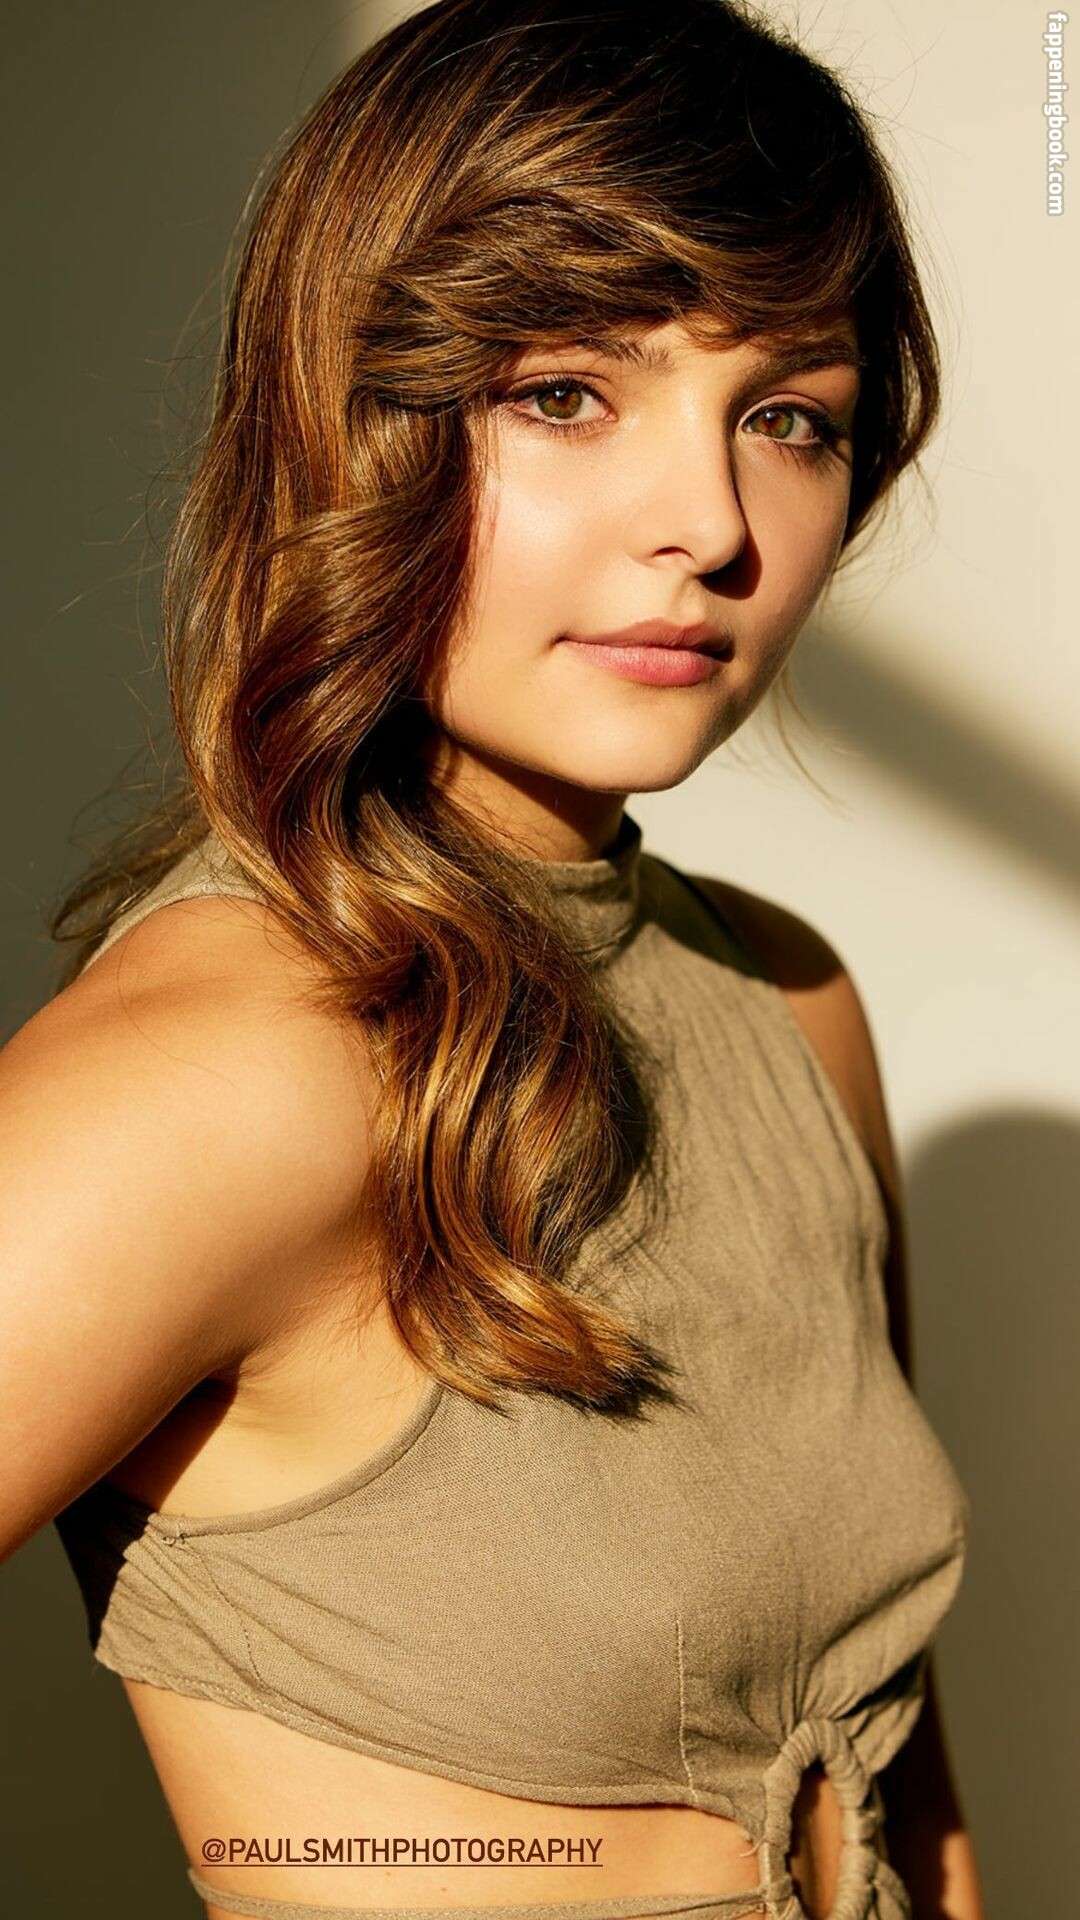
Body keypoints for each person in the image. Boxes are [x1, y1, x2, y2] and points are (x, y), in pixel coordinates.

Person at [0, 1, 986, 1916]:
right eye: (565, 393)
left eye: (788, 417)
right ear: (344, 411)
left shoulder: (788, 1003)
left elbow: (900, 1766)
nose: (710, 526)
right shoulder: (239, 1056)